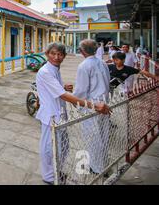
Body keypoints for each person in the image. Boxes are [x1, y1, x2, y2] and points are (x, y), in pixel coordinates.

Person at [36, 42, 111, 185]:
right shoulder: (45, 71)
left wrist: (62, 87)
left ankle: (56, 170)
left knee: (63, 147)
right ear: (47, 54)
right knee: (48, 147)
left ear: (64, 56)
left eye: (60, 54)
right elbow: (63, 95)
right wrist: (93, 105)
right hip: (50, 115)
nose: (57, 57)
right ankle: (49, 177)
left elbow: (56, 90)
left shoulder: (55, 69)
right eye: (53, 53)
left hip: (60, 114)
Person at [73, 39, 111, 175]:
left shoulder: (84, 66)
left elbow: (81, 90)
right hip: (104, 102)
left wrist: (74, 100)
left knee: (93, 137)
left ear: (82, 51)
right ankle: (103, 164)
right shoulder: (102, 63)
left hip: (93, 105)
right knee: (103, 135)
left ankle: (97, 168)